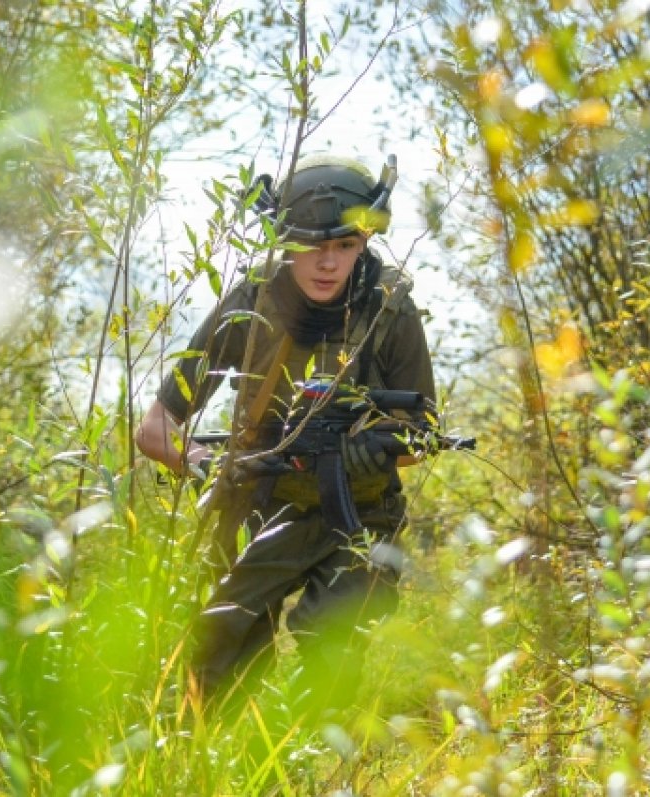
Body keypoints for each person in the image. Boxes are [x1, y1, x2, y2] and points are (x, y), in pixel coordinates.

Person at [135, 152, 437, 714]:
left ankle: (315, 771)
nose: (327, 263)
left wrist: (378, 454)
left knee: (331, 658)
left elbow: (422, 433)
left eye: (344, 246)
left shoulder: (390, 312)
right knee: (221, 666)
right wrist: (206, 464)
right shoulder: (251, 304)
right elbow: (155, 429)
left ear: (365, 244)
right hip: (261, 506)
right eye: (309, 246)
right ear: (284, 242)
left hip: (357, 514)